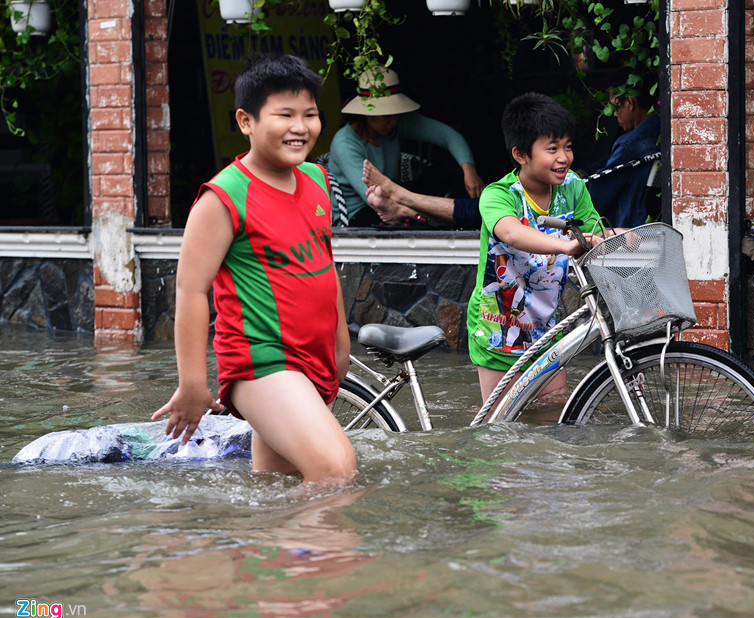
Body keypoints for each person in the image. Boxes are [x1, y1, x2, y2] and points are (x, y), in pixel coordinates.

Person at [151, 54, 356, 486]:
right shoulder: (223, 197)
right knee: (335, 471)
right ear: (246, 121)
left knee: (276, 486)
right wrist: (192, 384)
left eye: (311, 115)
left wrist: (341, 346)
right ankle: (332, 555)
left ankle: (266, 551)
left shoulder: (317, 180)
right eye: (285, 114)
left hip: (314, 358)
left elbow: (323, 265)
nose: (300, 127)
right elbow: (190, 290)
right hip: (262, 361)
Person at [466, 92, 613, 404]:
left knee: (553, 411)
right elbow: (512, 232)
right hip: (498, 326)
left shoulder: (572, 186)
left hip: (545, 324)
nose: (564, 157)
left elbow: (591, 228)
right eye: (552, 149)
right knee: (502, 425)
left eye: (568, 146)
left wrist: (625, 238)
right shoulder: (499, 195)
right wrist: (566, 246)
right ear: (521, 154)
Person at [327, 66, 484, 228]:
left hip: (396, 193)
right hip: (361, 212)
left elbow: (447, 135)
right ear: (367, 114)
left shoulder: (395, 124)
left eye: (396, 113)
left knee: (449, 167)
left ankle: (464, 219)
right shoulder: (344, 143)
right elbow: (372, 197)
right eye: (387, 115)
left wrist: (469, 171)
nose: (394, 120)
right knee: (415, 225)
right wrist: (421, 210)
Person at [583, 89, 661, 227]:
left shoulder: (630, 145)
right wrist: (586, 171)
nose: (614, 113)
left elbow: (597, 199)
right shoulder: (664, 130)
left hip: (627, 227)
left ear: (630, 103)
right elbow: (613, 162)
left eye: (615, 106)